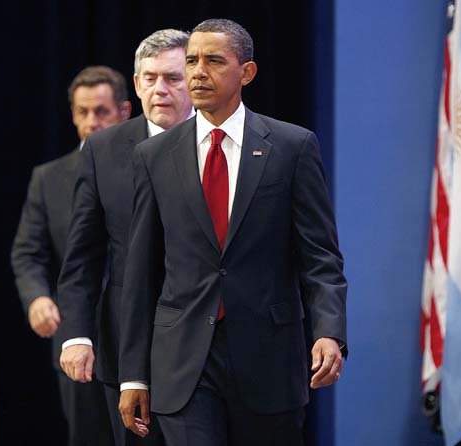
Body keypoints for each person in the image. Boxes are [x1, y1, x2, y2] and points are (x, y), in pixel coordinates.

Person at [118, 18, 347, 446]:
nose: (198, 72)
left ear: (247, 72)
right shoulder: (154, 155)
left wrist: (328, 331)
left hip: (269, 359)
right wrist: (133, 375)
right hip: (185, 362)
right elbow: (140, 272)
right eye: (191, 61)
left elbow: (320, 256)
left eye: (213, 61)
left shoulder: (292, 146)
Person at [56, 29, 193, 446]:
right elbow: (82, 255)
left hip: (210, 339)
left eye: (172, 78)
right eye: (149, 78)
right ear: (136, 84)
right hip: (130, 347)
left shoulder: (224, 144)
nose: (160, 89)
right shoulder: (103, 149)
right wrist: (78, 335)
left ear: (194, 78)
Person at [11, 65, 131, 446]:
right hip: (80, 337)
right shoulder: (49, 177)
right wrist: (38, 297)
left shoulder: (151, 163)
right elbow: (28, 251)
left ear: (124, 112)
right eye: (82, 112)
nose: (90, 122)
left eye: (101, 111)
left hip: (142, 336)